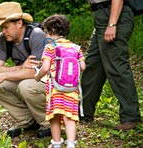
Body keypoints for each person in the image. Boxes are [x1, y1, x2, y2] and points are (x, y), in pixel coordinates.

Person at [0, 2, 51, 138]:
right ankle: (27, 121)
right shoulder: (3, 38)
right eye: (2, 27)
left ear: (19, 23)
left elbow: (36, 72)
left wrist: (4, 75)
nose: (3, 31)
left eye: (6, 27)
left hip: (49, 81)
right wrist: (20, 67)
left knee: (25, 86)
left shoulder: (37, 35)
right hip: (27, 78)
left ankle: (50, 122)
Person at [81, 0, 142, 130]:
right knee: (93, 65)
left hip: (114, 14)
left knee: (117, 67)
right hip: (101, 15)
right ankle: (84, 112)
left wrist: (112, 23)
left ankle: (130, 117)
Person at [35, 14, 86, 148]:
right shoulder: (76, 48)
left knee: (55, 116)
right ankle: (70, 144)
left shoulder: (50, 47)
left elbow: (45, 68)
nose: (45, 35)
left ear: (51, 31)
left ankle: (56, 143)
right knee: (70, 117)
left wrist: (38, 77)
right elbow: (83, 67)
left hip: (55, 89)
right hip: (72, 89)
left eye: (45, 32)